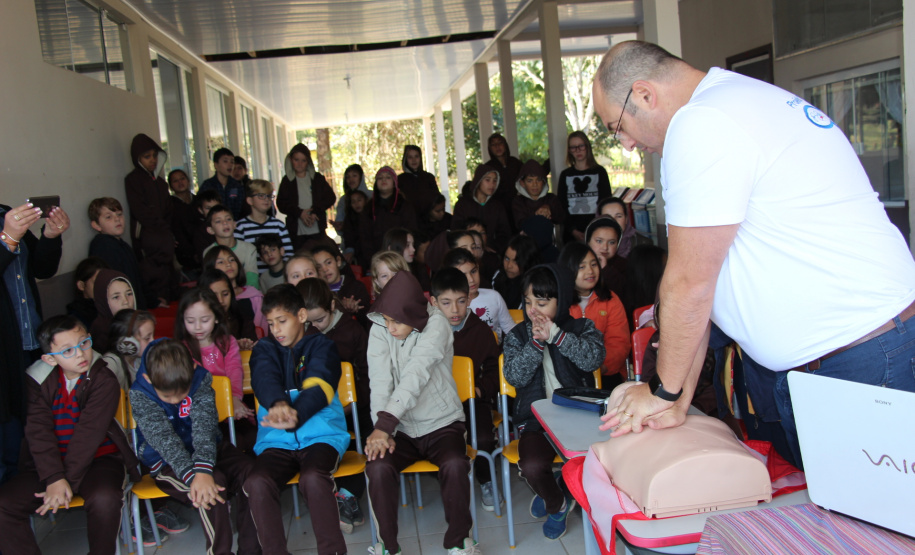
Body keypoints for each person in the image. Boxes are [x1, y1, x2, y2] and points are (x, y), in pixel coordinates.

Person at [592, 41, 915, 467]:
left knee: (875, 526)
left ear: (645, 94)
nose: (627, 144)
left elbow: (690, 283)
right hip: (835, 359)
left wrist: (661, 391)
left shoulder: (703, 123)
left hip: (861, 357)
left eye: (617, 126)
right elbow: (703, 284)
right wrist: (674, 396)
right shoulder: (729, 102)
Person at [0, 315, 139, 555]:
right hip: (47, 465)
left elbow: (88, 436)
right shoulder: (36, 381)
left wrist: (64, 483)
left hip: (100, 460)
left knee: (105, 499)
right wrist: (54, 478)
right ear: (49, 358)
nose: (80, 354)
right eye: (67, 351)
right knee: (4, 504)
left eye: (84, 343)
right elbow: (38, 431)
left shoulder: (103, 378)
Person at [364, 271, 479, 555]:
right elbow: (379, 382)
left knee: (454, 464)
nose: (390, 327)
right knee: (377, 467)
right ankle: (387, 546)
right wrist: (384, 430)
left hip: (442, 423)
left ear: (415, 314)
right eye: (387, 320)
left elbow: (415, 375)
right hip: (400, 429)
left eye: (397, 321)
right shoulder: (379, 326)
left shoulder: (437, 323)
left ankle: (459, 541)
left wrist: (385, 424)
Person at [244, 284, 350, 555]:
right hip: (276, 442)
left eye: (282, 321)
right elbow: (263, 378)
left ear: (301, 315)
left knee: (313, 478)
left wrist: (296, 415)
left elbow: (318, 386)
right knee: (257, 481)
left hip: (321, 437)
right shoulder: (264, 349)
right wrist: (279, 405)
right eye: (270, 323)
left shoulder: (322, 346)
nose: (276, 329)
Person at [502, 264, 605, 539]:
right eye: (527, 302)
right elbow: (514, 376)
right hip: (536, 422)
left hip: (579, 418)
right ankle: (557, 502)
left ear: (560, 302)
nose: (533, 309)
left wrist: (558, 337)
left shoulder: (582, 327)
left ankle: (560, 487)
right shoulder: (517, 336)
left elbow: (593, 359)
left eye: (542, 302)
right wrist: (535, 344)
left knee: (589, 461)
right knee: (532, 466)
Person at [130, 339, 259, 555]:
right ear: (148, 379)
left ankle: (252, 551)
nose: (175, 400)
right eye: (167, 396)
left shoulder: (200, 378)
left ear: (192, 369)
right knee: (210, 488)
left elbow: (204, 427)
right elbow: (164, 441)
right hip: (167, 461)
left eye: (182, 393)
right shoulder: (140, 393)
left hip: (208, 447)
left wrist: (203, 467)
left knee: (253, 474)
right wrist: (195, 475)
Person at [0, 202, 67, 485]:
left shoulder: (6, 213)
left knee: (37, 423)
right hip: (4, 350)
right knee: (9, 432)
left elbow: (42, 268)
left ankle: (40, 488)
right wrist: (7, 240)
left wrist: (51, 236)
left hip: (30, 340)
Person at [296, 277, 370, 533]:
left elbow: (367, 376)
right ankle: (331, 495)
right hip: (316, 410)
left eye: (319, 320)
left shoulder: (351, 331)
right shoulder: (299, 336)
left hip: (354, 409)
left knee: (363, 442)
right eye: (308, 322)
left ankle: (348, 496)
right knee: (315, 442)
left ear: (331, 306)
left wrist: (351, 404)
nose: (314, 327)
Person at [430, 267, 502, 513]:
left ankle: (486, 480)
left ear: (469, 299)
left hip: (473, 402)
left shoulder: (481, 331)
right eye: (446, 303)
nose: (455, 310)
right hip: (436, 405)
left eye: (461, 301)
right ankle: (450, 479)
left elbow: (494, 371)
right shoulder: (425, 333)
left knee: (481, 438)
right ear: (433, 302)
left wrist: (480, 390)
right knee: (433, 442)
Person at [174, 288, 254, 425]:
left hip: (231, 403)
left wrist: (234, 399)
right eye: (190, 321)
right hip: (200, 412)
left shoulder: (228, 343)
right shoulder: (181, 350)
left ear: (216, 318)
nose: (197, 327)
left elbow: (234, 371)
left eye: (204, 320)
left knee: (248, 436)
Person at [559, 242, 630, 386]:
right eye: (582, 267)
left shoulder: (610, 299)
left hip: (605, 372)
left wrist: (600, 367)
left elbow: (618, 343)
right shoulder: (558, 302)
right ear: (568, 270)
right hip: (567, 373)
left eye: (594, 264)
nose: (590, 271)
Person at [124, 133, 177, 303]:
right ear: (138, 158)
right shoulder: (133, 180)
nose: (152, 160)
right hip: (147, 236)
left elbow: (168, 210)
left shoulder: (161, 183)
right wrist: (159, 227)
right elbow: (140, 210)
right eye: (147, 156)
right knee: (153, 275)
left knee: (169, 273)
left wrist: (167, 231)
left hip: (164, 235)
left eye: (154, 156)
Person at [87, 197, 153, 309]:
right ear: (96, 225)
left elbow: (137, 278)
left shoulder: (123, 245)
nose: (117, 219)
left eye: (119, 214)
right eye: (108, 217)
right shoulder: (103, 248)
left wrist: (152, 300)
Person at [443, 247, 515, 341]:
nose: (471, 279)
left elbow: (510, 329)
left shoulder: (494, 296)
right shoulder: (447, 304)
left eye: (473, 271)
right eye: (463, 275)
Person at [276, 143, 336, 251]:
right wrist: (299, 213)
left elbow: (330, 197)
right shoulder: (287, 181)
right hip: (296, 231)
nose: (299, 164)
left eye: (303, 160)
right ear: (290, 160)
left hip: (317, 228)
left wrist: (315, 212)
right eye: (296, 160)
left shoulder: (317, 178)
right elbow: (281, 203)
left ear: (308, 161)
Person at [557, 131, 612, 243]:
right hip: (571, 233)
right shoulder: (565, 175)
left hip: (597, 230)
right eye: (573, 147)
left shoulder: (600, 172)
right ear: (569, 150)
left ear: (587, 147)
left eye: (581, 146)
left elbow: (605, 202)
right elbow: (561, 205)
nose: (578, 150)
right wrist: (573, 230)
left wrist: (596, 228)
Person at [359, 166, 418, 269]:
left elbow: (411, 231)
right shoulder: (368, 208)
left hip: (401, 258)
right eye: (380, 178)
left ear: (394, 182)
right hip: (376, 259)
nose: (384, 180)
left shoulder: (405, 206)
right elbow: (364, 237)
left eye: (388, 177)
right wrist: (373, 260)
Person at [203, 245, 268, 334]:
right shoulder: (206, 298)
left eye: (231, 260)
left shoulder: (254, 295)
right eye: (221, 262)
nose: (228, 264)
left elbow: (263, 328)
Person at [235, 179, 293, 272]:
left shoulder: (278, 225)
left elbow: (289, 254)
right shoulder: (240, 227)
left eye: (269, 196)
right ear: (250, 200)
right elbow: (238, 258)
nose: (266, 199)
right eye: (261, 196)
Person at [452, 163, 511, 254]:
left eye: (495, 181)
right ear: (478, 180)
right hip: (467, 252)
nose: (492, 184)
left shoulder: (497, 206)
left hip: (492, 252)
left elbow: (504, 233)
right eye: (487, 180)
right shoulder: (463, 204)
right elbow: (456, 231)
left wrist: (492, 247)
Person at [312, 243, 371, 327]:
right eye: (319, 267)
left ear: (338, 261)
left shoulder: (356, 287)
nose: (325, 269)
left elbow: (367, 320)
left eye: (328, 263)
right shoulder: (317, 293)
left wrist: (355, 309)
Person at [203, 204, 261, 290]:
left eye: (228, 219)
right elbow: (211, 281)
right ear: (210, 230)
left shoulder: (249, 249)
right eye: (218, 221)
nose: (225, 223)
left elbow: (252, 280)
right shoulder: (209, 252)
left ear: (234, 224)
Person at [198, 268, 258, 349]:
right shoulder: (197, 325)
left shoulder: (242, 319)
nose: (221, 300)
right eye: (214, 295)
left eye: (225, 294)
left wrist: (245, 345)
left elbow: (255, 347)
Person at [103, 308, 156, 391]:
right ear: (128, 342)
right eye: (147, 338)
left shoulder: (139, 360)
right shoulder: (111, 364)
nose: (153, 341)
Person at [88, 269, 136, 353]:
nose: (126, 301)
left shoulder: (138, 323)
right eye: (116, 297)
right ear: (103, 301)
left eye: (129, 294)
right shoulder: (101, 333)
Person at [511, 159, 566, 230]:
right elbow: (520, 224)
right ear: (522, 183)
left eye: (538, 180)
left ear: (543, 182)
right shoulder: (518, 201)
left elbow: (561, 218)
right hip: (527, 240)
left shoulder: (551, 198)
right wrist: (537, 214)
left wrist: (549, 209)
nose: (535, 184)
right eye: (530, 181)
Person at [168, 168, 202, 279]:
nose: (180, 182)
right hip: (184, 255)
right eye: (175, 181)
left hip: (202, 250)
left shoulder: (198, 201)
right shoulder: (170, 205)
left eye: (182, 178)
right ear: (171, 186)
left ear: (188, 180)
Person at [492, 234, 541, 310]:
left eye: (516, 262)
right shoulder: (498, 276)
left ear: (527, 262)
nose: (509, 266)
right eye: (507, 259)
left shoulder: (535, 285)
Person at [585, 216, 627, 303]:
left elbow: (623, 295)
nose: (605, 247)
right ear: (588, 241)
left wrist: (606, 269)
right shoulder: (577, 262)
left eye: (612, 242)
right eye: (599, 241)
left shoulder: (625, 265)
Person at [199, 147, 246, 220]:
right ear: (216, 165)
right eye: (225, 161)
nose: (230, 165)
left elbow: (241, 210)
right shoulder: (208, 185)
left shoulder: (237, 186)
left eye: (232, 162)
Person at [486, 133, 523, 223]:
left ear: (505, 145)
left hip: (518, 207)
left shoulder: (515, 162)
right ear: (490, 148)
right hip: (498, 209)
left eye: (500, 143)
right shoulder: (488, 167)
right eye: (493, 145)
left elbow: (530, 175)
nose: (497, 146)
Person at [398, 145, 439, 221]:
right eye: (410, 157)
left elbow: (437, 199)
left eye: (416, 156)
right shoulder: (400, 179)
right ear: (405, 159)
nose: (414, 160)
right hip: (409, 219)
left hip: (428, 220)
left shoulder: (429, 177)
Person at [67, 256, 109, 328]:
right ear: (81, 285)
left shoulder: (112, 306)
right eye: (97, 283)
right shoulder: (76, 318)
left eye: (106, 282)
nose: (103, 287)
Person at [332, 163, 372, 234]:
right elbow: (340, 225)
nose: (351, 179)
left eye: (354, 176)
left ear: (361, 177)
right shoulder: (343, 200)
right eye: (348, 177)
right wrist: (339, 227)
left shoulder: (372, 196)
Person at [341, 189, 369, 265]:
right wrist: (350, 251)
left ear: (366, 200)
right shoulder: (349, 219)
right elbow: (348, 237)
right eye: (353, 202)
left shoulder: (373, 216)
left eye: (359, 200)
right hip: (358, 255)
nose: (357, 204)